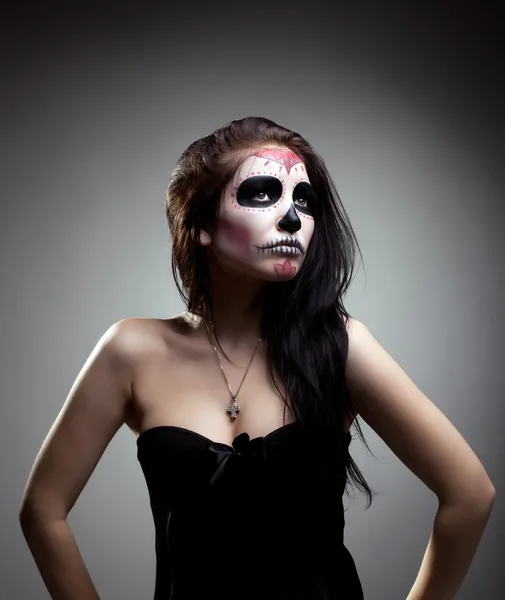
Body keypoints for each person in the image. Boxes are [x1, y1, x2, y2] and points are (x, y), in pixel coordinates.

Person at [19, 117, 495, 600]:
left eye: (304, 201)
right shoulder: (132, 350)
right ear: (200, 223)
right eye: (263, 194)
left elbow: (470, 495)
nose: (291, 218)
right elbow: (42, 510)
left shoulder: (342, 346)